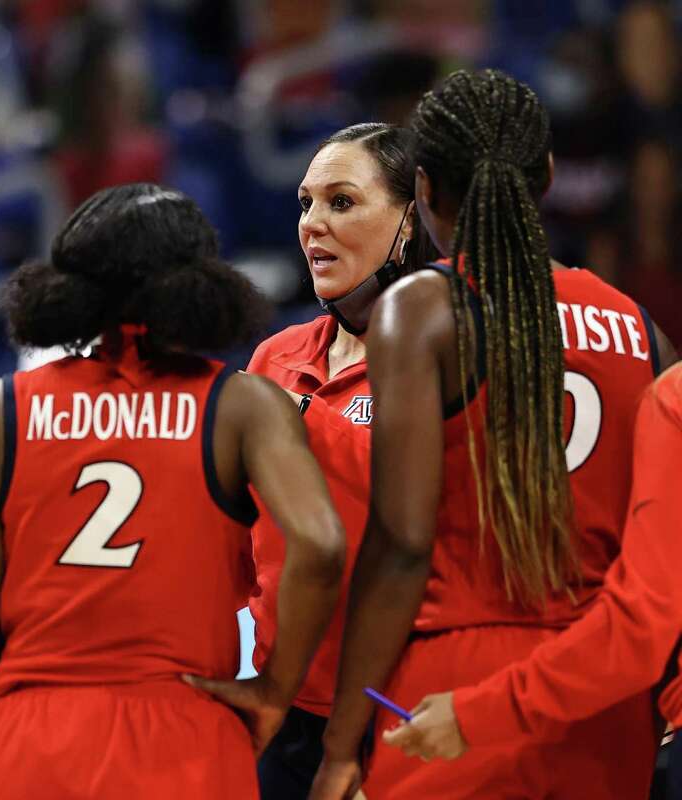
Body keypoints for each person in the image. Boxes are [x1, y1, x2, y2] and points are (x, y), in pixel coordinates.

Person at [310, 68, 676, 800]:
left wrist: (342, 741)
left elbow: (402, 543)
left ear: (422, 190)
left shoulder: (424, 306)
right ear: (546, 173)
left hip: (453, 690)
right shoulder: (639, 328)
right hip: (599, 696)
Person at [0, 183, 346, 799]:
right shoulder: (240, 405)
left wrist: (8, 733)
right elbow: (319, 547)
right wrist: (273, 693)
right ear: (200, 284)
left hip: (29, 738)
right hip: (183, 735)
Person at [381, 364, 682, 794]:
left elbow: (640, 627)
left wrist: (475, 715)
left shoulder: (674, 398)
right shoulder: (650, 353)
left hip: (502, 675)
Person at [246, 122, 429, 797]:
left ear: (410, 218)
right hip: (282, 716)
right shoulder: (275, 358)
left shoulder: (450, 359)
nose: (313, 225)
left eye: (342, 202)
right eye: (304, 203)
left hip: (400, 717)